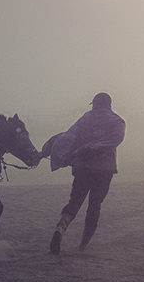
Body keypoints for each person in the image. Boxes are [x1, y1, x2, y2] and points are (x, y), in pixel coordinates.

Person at [45, 92, 126, 254]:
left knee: (74, 202)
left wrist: (50, 149)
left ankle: (60, 229)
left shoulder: (86, 119)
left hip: (83, 167)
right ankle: (83, 245)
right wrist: (97, 147)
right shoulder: (118, 121)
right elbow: (116, 139)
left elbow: (70, 136)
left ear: (95, 103)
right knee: (94, 206)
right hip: (105, 170)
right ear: (109, 104)